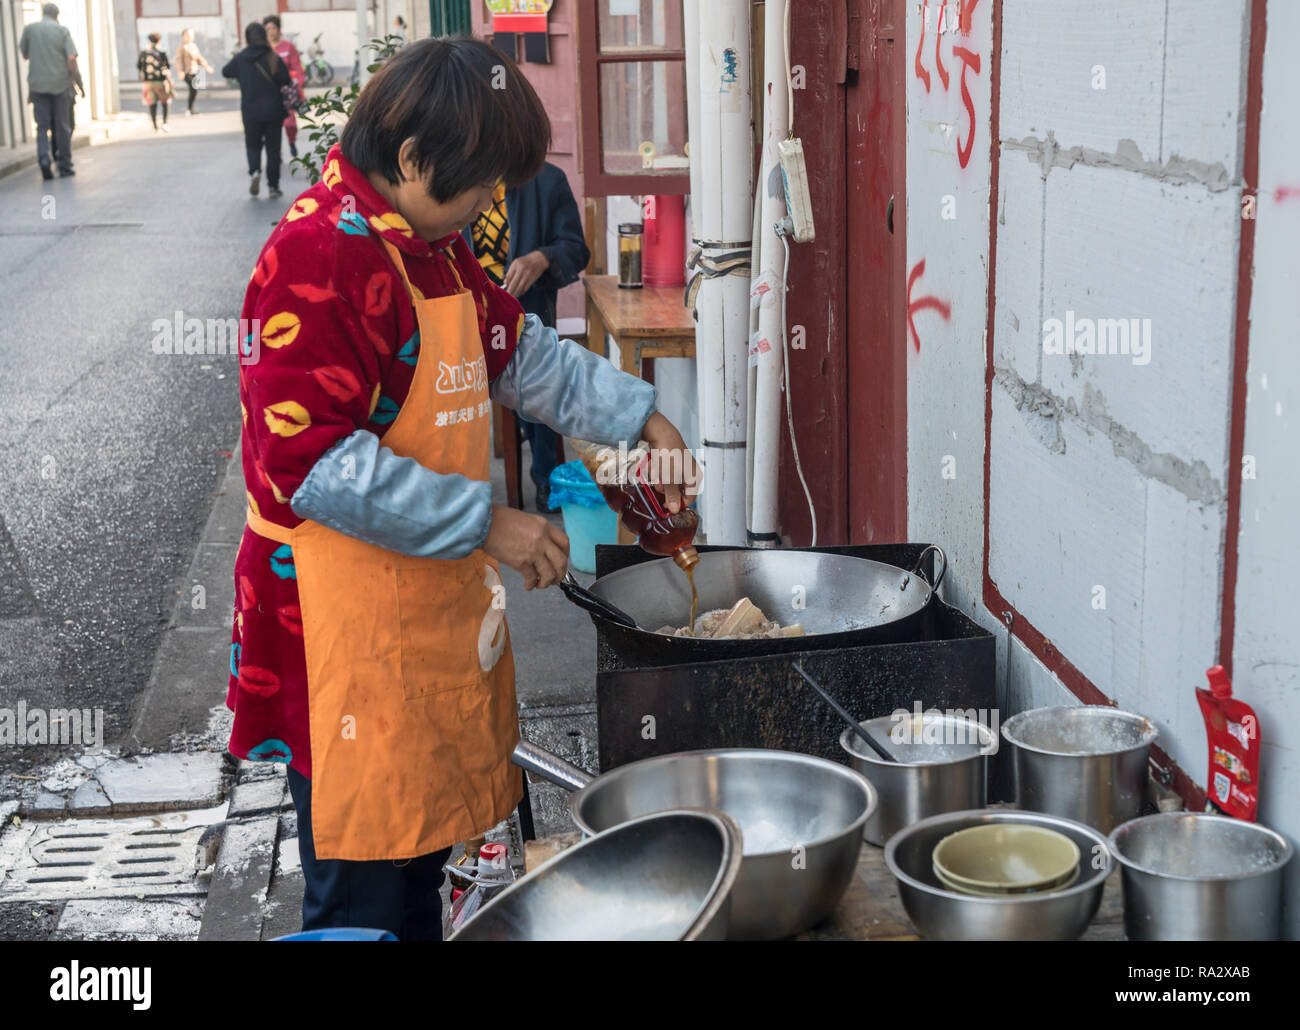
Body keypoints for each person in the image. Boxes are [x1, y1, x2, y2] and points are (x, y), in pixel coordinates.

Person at [226, 36, 695, 939]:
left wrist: (639, 416)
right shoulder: (318, 258)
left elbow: (516, 352)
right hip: (338, 633)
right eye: (481, 184)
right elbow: (314, 465)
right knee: (363, 892)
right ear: (410, 159)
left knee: (416, 864)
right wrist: (487, 520)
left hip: (417, 605)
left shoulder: (429, 247)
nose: (490, 205)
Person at [464, 162, 590, 511]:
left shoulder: (547, 180)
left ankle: (545, 475)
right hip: (464, 318)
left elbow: (576, 250)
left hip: (526, 317)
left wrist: (542, 258)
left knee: (536, 378)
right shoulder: (456, 177)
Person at [222, 23, 291, 199]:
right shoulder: (272, 56)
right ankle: (273, 186)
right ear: (264, 36)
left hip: (250, 112)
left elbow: (226, 72)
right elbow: (286, 79)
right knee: (273, 150)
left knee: (252, 145)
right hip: (273, 111)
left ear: (247, 38)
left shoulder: (241, 58)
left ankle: (254, 172)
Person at [18, 3, 77, 180]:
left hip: (38, 86)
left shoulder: (30, 29)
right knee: (62, 127)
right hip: (61, 85)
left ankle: (44, 159)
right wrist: (71, 78)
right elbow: (71, 57)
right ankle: (64, 165)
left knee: (42, 127)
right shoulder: (62, 31)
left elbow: (25, 54)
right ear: (56, 15)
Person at [261, 16, 304, 158]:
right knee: (272, 127)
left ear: (279, 30)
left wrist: (298, 86)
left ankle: (292, 142)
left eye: (273, 28)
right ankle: (277, 153)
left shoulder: (288, 47)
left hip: (286, 93)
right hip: (268, 94)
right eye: (267, 29)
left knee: (290, 124)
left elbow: (297, 68)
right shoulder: (262, 49)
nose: (271, 32)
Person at [137, 32, 173, 133]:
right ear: (159, 41)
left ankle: (154, 125)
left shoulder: (144, 53)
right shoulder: (162, 52)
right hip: (160, 82)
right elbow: (168, 66)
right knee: (165, 102)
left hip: (148, 83)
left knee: (152, 103)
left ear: (149, 41)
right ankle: (165, 123)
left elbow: (139, 66)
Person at [175, 29, 214, 116]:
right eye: (187, 35)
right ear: (183, 36)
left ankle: (191, 109)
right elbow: (178, 60)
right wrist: (180, 71)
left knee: (194, 90)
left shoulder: (193, 46)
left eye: (191, 35)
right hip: (186, 72)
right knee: (193, 89)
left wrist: (207, 67)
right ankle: (189, 109)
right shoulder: (182, 47)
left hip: (195, 70)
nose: (190, 37)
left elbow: (199, 58)